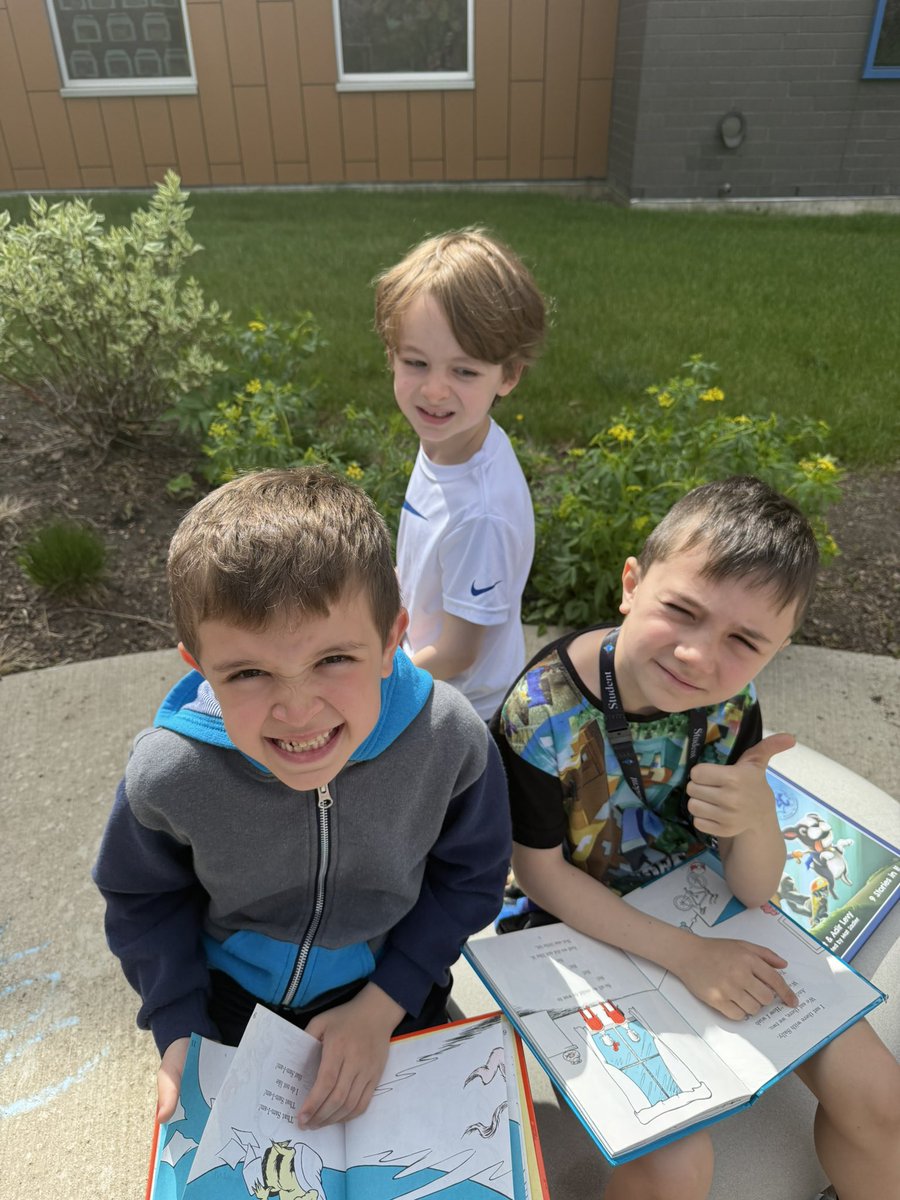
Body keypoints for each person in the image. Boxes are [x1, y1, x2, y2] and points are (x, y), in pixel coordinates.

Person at [490, 475, 899, 1200]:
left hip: (707, 907)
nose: (698, 657)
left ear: (777, 650)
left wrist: (756, 818)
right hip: (578, 926)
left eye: (744, 641)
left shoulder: (729, 704)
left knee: (882, 1100)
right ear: (632, 584)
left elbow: (754, 887)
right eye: (681, 611)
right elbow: (542, 875)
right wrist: (689, 957)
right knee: (674, 1167)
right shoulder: (537, 711)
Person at [93, 466, 511, 1131]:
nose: (296, 708)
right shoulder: (170, 773)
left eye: (333, 660)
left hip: (396, 986)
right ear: (198, 667)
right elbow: (144, 900)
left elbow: (472, 879)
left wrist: (385, 1002)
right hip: (229, 1006)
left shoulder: (449, 740)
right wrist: (179, 1030)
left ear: (392, 637)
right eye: (249, 672)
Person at [374, 227, 546, 719]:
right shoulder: (454, 440)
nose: (433, 390)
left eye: (464, 371)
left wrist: (374, 681)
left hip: (459, 713)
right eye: (416, 362)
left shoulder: (482, 515)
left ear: (508, 376)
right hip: (423, 665)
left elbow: (458, 653)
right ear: (392, 354)